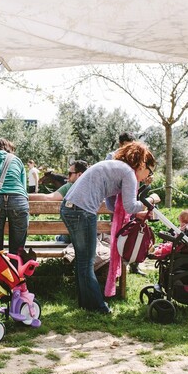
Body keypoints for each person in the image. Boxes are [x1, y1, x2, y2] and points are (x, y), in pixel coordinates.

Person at [60, 142, 159, 314]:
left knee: (84, 261)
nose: (146, 177)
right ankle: (98, 307)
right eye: (149, 172)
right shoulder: (128, 172)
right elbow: (130, 206)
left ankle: (86, 304)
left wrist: (138, 213)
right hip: (81, 211)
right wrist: (150, 200)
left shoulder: (117, 167)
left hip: (71, 208)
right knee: (87, 261)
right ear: (142, 165)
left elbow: (114, 206)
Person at [106, 132, 148, 276]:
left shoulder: (134, 158)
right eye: (127, 145)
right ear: (120, 144)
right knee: (121, 234)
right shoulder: (112, 156)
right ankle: (119, 266)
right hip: (117, 205)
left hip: (131, 201)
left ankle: (134, 263)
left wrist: (145, 179)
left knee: (136, 231)